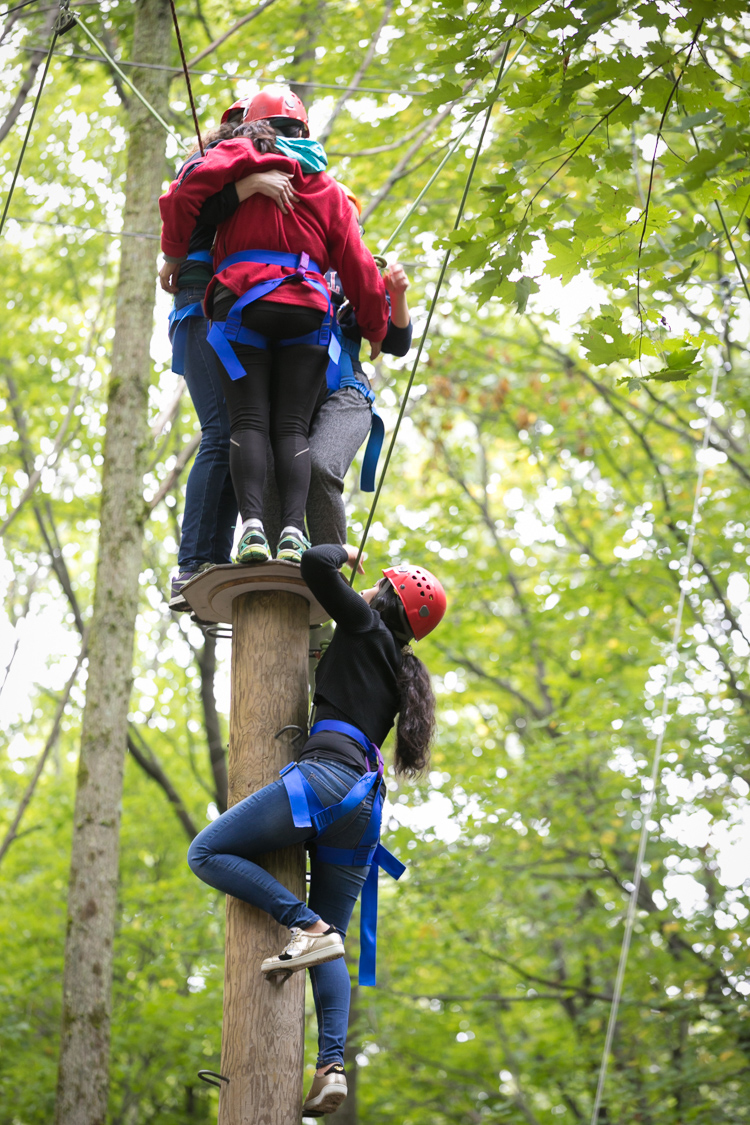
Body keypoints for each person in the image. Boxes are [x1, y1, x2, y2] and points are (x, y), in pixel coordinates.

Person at [187, 543, 447, 1117]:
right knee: (334, 942)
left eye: (380, 587)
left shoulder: (365, 624)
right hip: (365, 804)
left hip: (326, 780)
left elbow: (313, 568)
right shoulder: (394, 662)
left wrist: (343, 551)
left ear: (387, 599)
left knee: (205, 852)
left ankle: (300, 921)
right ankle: (332, 1066)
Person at [159, 88, 388, 566]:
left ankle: (253, 532)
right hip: (307, 311)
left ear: (252, 126)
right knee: (290, 428)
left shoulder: (237, 155)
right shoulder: (327, 185)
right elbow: (359, 266)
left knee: (244, 423)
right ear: (304, 131)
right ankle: (291, 534)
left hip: (242, 306)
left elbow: (182, 195)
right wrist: (376, 327)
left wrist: (175, 253)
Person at [161, 117, 300, 609]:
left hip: (220, 308)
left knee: (236, 432)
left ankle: (209, 557)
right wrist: (246, 185)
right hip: (203, 307)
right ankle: (192, 562)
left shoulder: (236, 174)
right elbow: (188, 210)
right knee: (224, 431)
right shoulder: (216, 169)